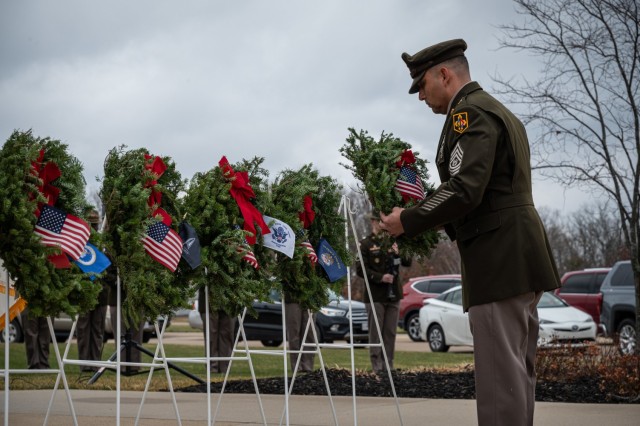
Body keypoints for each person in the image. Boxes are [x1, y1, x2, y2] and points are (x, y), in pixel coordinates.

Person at [379, 39, 561, 426]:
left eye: (422, 85)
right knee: (515, 376)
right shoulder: (498, 111)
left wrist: (407, 220)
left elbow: (466, 189)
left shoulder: (470, 115)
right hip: (516, 255)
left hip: (498, 258)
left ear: (444, 74)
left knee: (500, 383)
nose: (420, 97)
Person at [356, 214, 407, 375]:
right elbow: (360, 269)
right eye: (380, 220)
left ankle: (388, 364)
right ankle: (376, 365)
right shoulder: (365, 244)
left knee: (390, 332)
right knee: (376, 332)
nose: (383, 223)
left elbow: (407, 262)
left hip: (394, 294)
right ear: (373, 222)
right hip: (375, 295)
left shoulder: (393, 240)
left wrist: (400, 252)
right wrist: (380, 277)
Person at [76, 264, 112, 372]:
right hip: (83, 295)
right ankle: (84, 364)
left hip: (101, 297)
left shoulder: (106, 252)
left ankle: (95, 363)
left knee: (97, 332)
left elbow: (109, 271)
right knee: (83, 331)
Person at [198, 286, 236, 374]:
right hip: (208, 300)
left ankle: (225, 367)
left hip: (230, 299)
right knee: (211, 336)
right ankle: (212, 367)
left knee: (227, 335)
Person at [283, 290, 315, 373]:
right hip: (292, 298)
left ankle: (307, 365)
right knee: (294, 333)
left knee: (310, 333)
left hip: (311, 297)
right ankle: (297, 366)